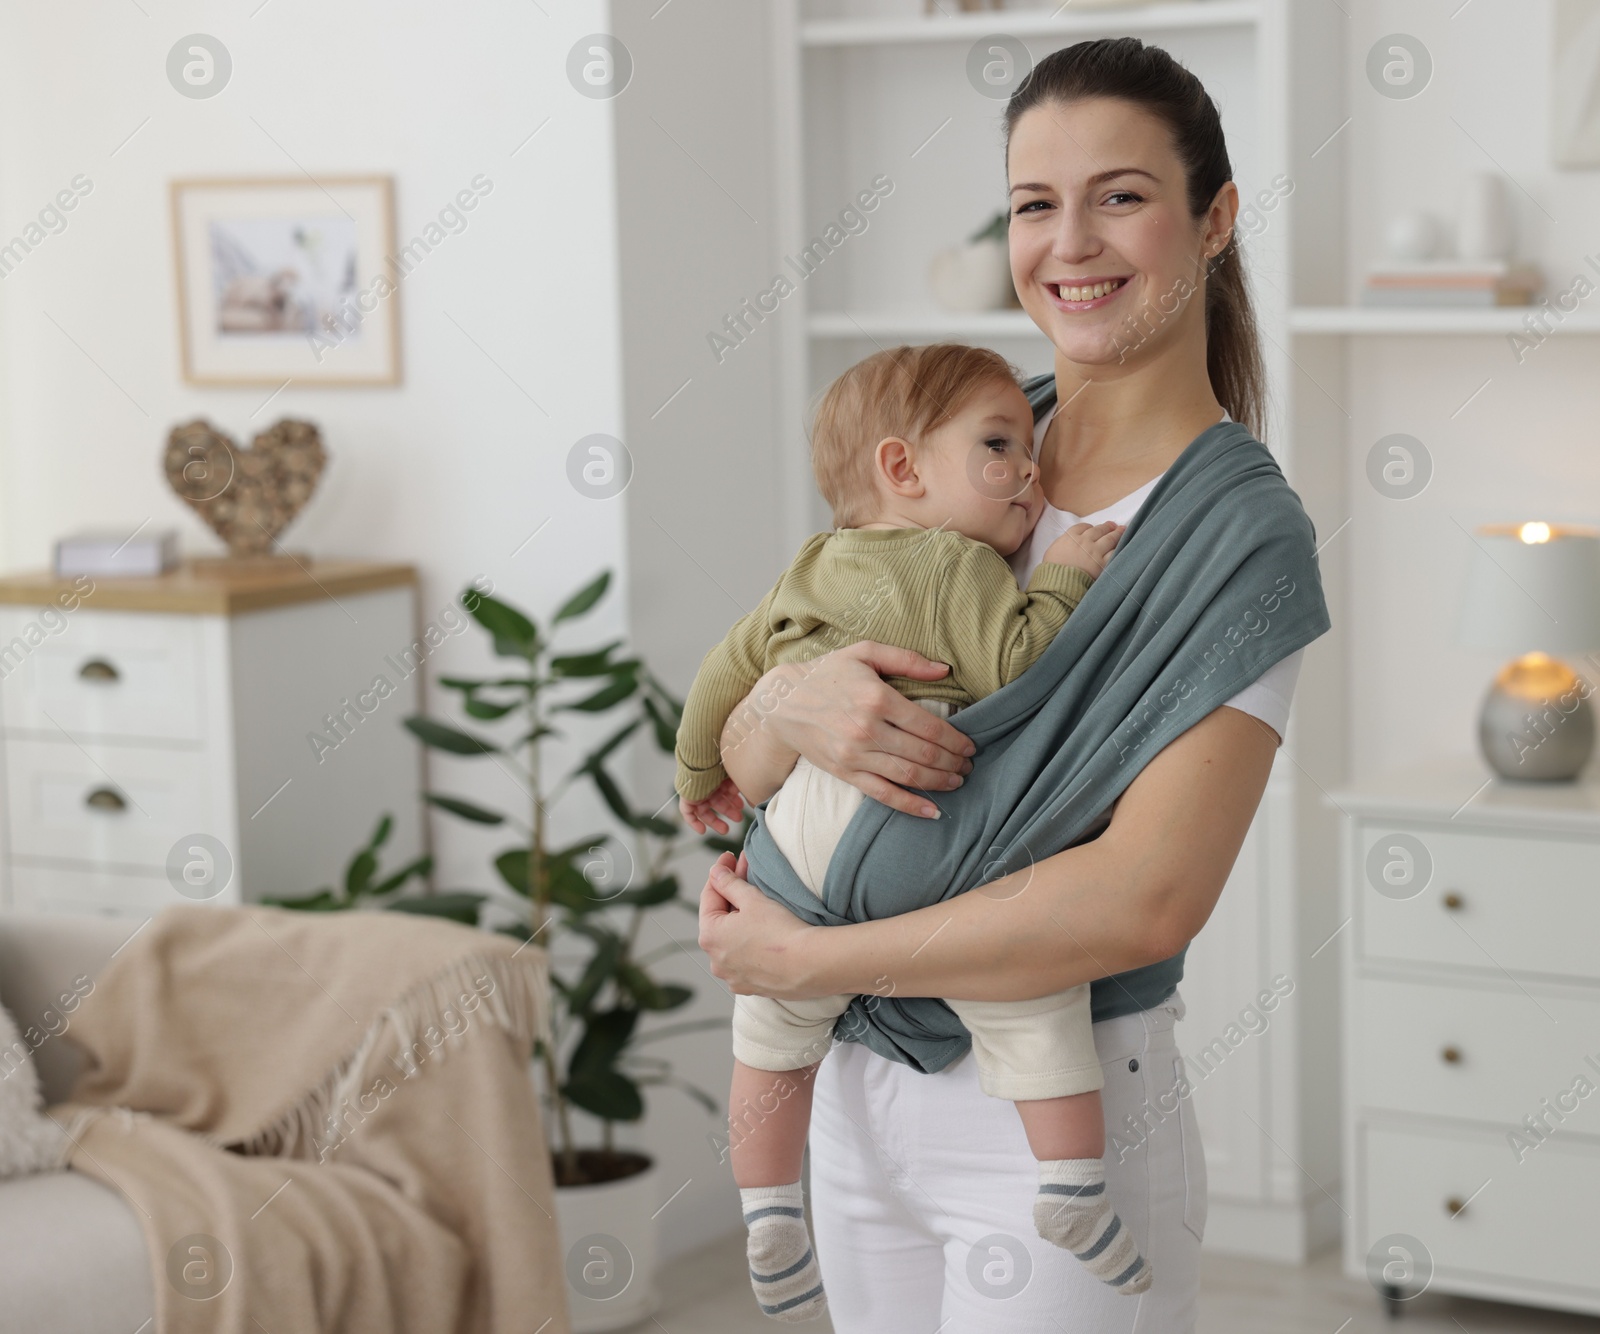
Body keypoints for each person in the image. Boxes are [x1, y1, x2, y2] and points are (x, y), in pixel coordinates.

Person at [695, 37, 1318, 1333]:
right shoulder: (957, 442)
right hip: (855, 1089)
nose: (1070, 243)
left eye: (1121, 195)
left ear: (1215, 219)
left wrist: (806, 954)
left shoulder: (1237, 534)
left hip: (1057, 1119)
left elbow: (1146, 897)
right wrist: (782, 709)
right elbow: (753, 757)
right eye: (1035, 202)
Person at [676, 342, 1144, 1323]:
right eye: (997, 444)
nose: (1029, 468)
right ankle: (1071, 1186)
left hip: (792, 852)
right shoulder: (954, 563)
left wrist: (699, 777)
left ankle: (767, 1209)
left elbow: (723, 675)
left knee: (768, 1028)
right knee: (1028, 988)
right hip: (923, 842)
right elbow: (1022, 663)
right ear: (902, 469)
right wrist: (1060, 575)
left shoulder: (805, 566)